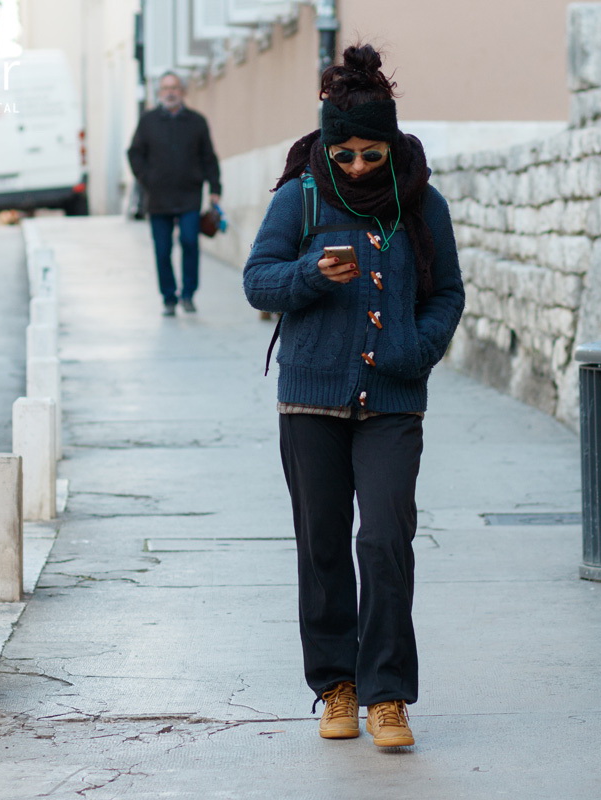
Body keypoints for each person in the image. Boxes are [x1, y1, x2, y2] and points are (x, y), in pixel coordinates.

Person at [243, 44, 465, 748]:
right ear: (328, 146)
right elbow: (257, 280)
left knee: (385, 539)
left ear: (392, 144)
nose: (360, 167)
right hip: (310, 401)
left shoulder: (421, 202)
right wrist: (311, 273)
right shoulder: (300, 197)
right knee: (323, 546)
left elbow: (447, 294)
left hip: (393, 400)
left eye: (372, 154)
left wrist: (415, 349)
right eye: (346, 155)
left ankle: (388, 694)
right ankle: (336, 686)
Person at [127, 71, 222, 316]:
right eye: (165, 88)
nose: (170, 93)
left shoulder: (197, 121)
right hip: (157, 198)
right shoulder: (148, 121)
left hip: (189, 196)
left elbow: (209, 158)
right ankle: (168, 298)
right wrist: (146, 178)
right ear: (159, 93)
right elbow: (134, 153)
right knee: (162, 249)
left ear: (183, 91)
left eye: (175, 88)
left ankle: (188, 294)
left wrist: (215, 189)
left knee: (190, 242)